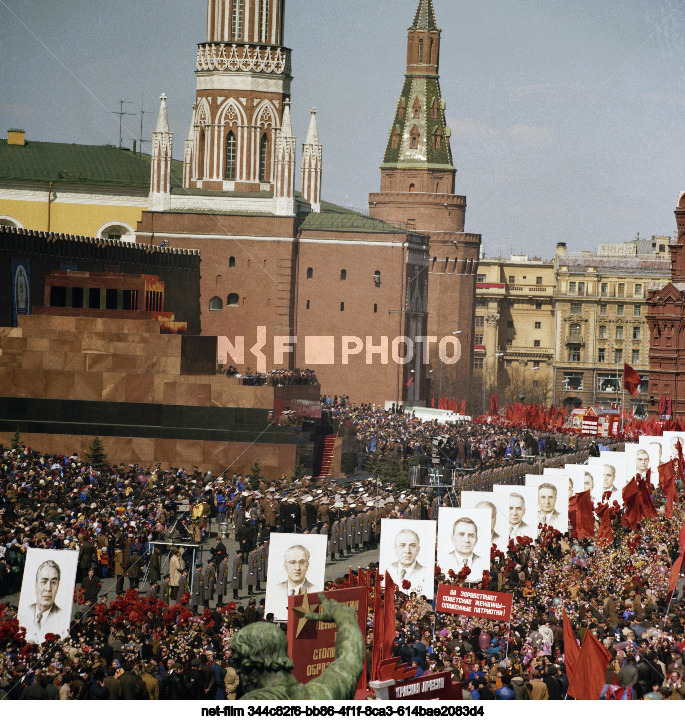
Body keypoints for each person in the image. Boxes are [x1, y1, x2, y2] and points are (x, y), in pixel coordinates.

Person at [23, 559, 69, 642]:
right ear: (36, 585)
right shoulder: (25, 611)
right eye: (44, 582)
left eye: (53, 582)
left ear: (58, 586)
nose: (48, 589)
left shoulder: (62, 616)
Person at [270, 545, 316, 618]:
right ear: (285, 566)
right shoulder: (275, 590)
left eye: (301, 562)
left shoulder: (315, 590)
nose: (297, 568)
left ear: (307, 565)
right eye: (292, 562)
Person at [386, 528, 426, 593]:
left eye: (412, 545)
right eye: (402, 545)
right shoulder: (388, 569)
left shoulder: (425, 572)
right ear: (396, 550)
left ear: (418, 550)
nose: (407, 551)